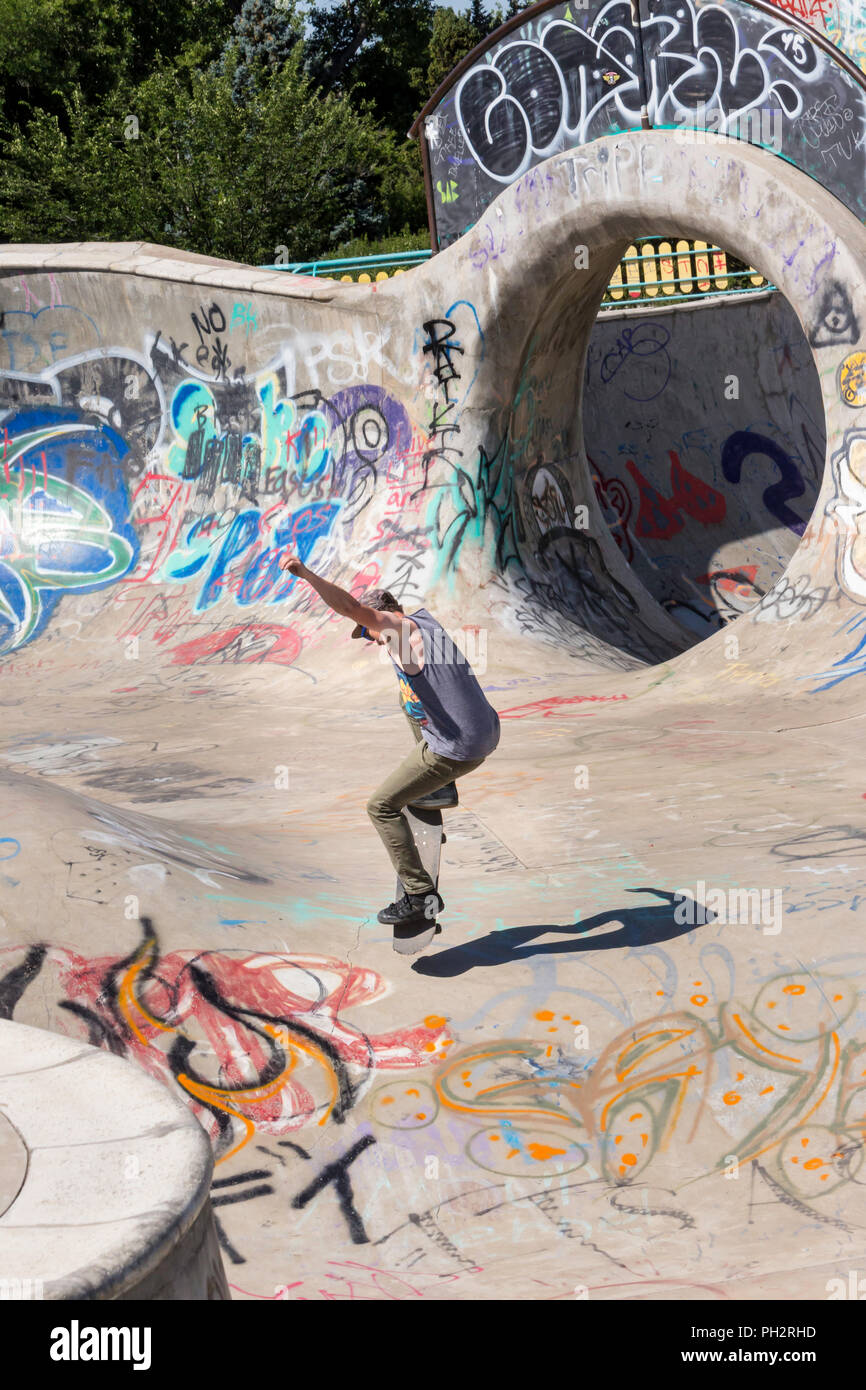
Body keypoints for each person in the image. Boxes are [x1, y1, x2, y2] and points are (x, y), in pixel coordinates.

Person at [278, 554, 500, 926]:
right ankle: (442, 789)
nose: (372, 640)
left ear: (382, 616)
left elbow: (349, 606)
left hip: (460, 748)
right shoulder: (426, 621)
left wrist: (304, 574)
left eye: (367, 632)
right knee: (407, 694)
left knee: (380, 806)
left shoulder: (398, 631)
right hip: (487, 729)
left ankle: (419, 894)